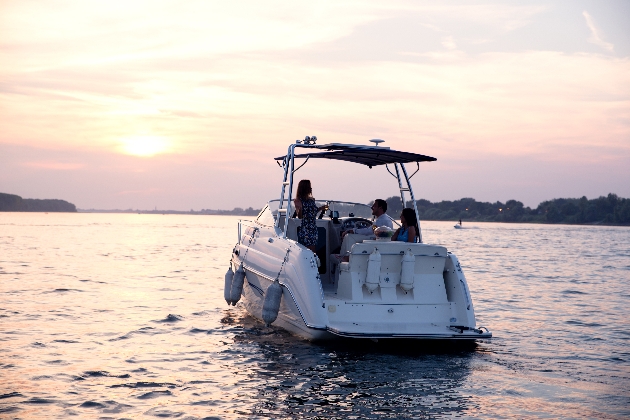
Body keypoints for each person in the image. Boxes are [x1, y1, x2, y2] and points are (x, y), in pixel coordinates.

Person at [293, 179, 328, 252]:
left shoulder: (311, 200)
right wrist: (300, 208)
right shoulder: (298, 200)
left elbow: (313, 213)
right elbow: (300, 216)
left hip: (313, 228)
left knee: (313, 249)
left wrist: (321, 208)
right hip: (306, 229)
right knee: (311, 251)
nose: (311, 188)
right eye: (309, 186)